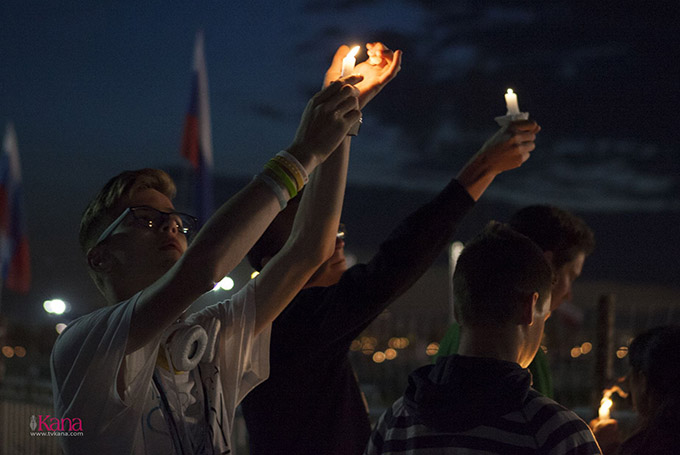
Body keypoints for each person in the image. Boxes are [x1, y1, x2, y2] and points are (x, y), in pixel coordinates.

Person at [50, 44, 399, 454]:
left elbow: (309, 250)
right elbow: (204, 269)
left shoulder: (207, 340)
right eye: (144, 218)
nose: (170, 225)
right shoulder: (83, 344)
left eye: (176, 220)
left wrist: (342, 122)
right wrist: (304, 151)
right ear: (100, 256)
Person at [241, 97, 542, 453]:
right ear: (278, 258)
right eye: (319, 236)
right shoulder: (293, 325)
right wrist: (484, 168)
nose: (338, 243)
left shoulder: (270, 327)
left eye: (337, 231)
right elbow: (397, 262)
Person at [364, 223, 602, 454]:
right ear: (529, 308)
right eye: (545, 316)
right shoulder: (558, 435)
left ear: (458, 310)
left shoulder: (394, 424)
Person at [436, 204, 595, 397]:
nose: (568, 294)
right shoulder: (522, 354)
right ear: (546, 267)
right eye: (570, 276)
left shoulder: (457, 336)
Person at [591, 325, 680, 455]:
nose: (626, 381)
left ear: (643, 381)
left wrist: (607, 448)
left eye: (631, 374)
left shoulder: (649, 445)